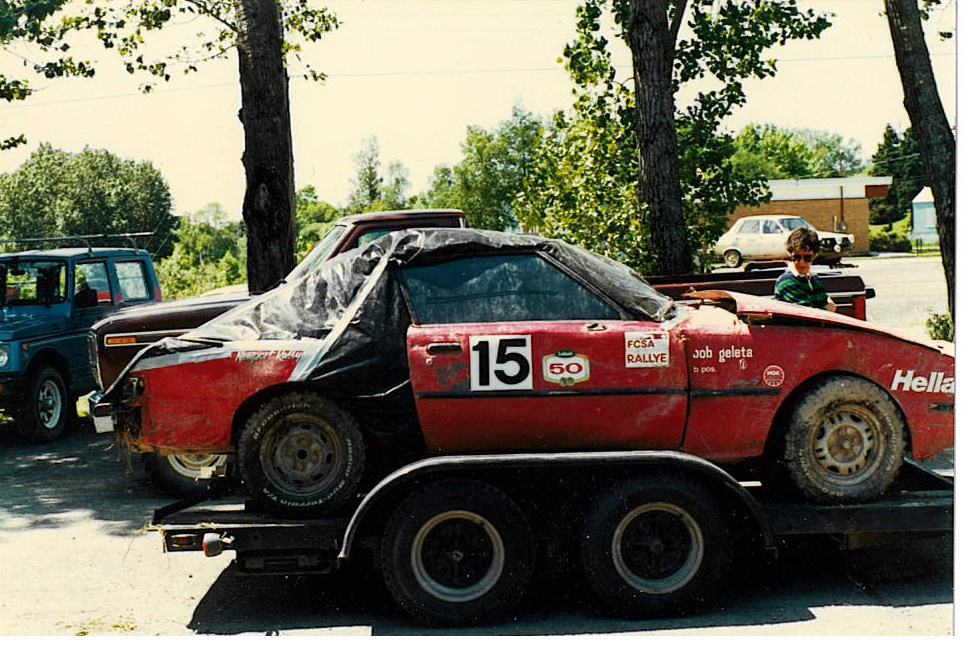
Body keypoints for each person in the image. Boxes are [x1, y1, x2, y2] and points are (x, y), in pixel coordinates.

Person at [774, 227, 836, 312]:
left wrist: (827, 306)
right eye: (796, 257)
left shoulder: (814, 279)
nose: (801, 263)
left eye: (807, 258)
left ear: (815, 255)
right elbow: (807, 315)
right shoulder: (786, 281)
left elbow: (822, 305)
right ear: (790, 254)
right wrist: (829, 307)